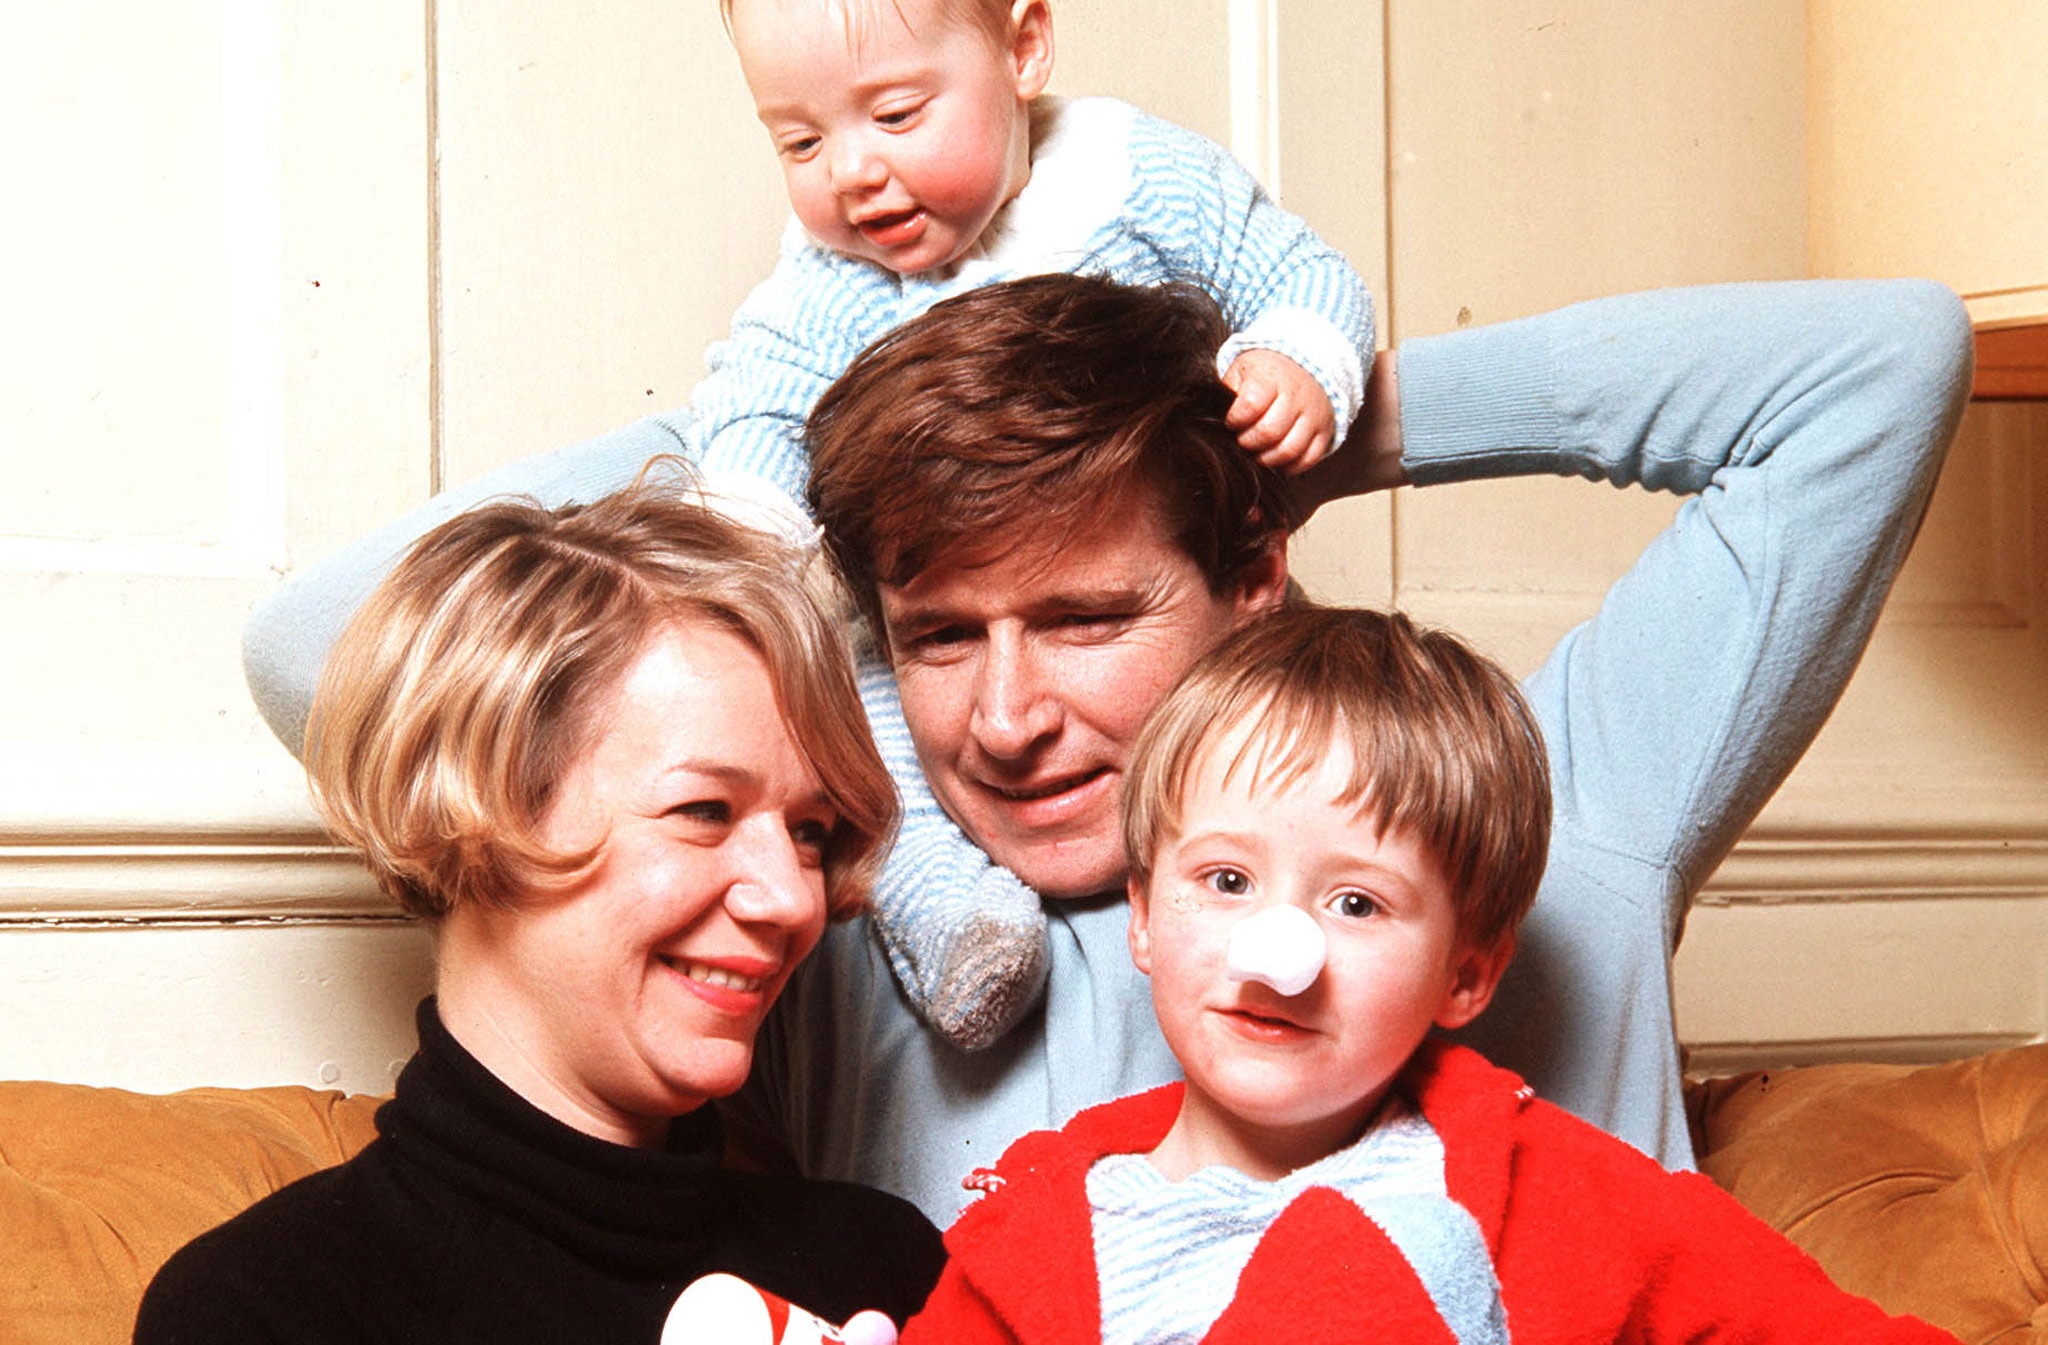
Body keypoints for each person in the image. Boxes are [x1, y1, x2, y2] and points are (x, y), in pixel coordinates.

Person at [240, 271, 1974, 1230]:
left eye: (1082, 620)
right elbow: (319, 642)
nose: (1001, 720)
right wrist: (788, 438)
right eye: (933, 634)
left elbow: (1878, 366)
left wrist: (1274, 416)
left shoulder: (1512, 815)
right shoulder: (838, 912)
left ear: (1250, 576)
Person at [695, 0, 1376, 1049]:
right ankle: (954, 920)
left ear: (1023, 46)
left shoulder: (1133, 179)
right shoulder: (823, 279)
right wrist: (743, 529)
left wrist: (1303, 376)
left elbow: (1298, 273)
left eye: (896, 114)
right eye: (798, 139)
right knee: (860, 718)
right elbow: (747, 406)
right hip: (883, 631)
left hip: (1188, 549)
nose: (850, 174)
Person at [897, 606, 1957, 1343]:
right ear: (1141, 912)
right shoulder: (1030, 1227)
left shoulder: (1573, 1196)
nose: (1279, 957)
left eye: (1353, 902)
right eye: (1224, 878)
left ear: (1466, 972)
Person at [139, 480, 944, 1343]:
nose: (792, 897)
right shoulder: (265, 1308)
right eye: (705, 811)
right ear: (477, 812)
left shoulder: (884, 1266)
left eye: (812, 832)